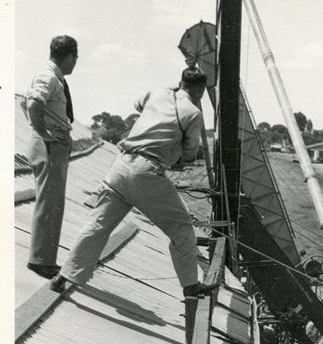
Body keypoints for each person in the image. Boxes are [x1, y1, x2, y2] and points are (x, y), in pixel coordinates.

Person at [50, 68, 218, 301]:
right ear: (200, 90)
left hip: (120, 166)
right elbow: (190, 152)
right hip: (146, 173)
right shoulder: (193, 112)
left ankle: (64, 276)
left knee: (98, 225)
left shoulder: (159, 92)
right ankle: (190, 286)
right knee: (182, 231)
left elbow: (138, 104)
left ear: (180, 82)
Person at [25, 35, 78, 278]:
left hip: (51, 145)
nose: (75, 63)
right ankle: (40, 260)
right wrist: (43, 131)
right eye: (75, 58)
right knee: (49, 202)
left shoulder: (53, 77)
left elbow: (28, 104)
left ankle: (45, 257)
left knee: (52, 202)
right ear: (69, 56)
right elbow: (33, 103)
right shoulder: (49, 76)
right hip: (49, 146)